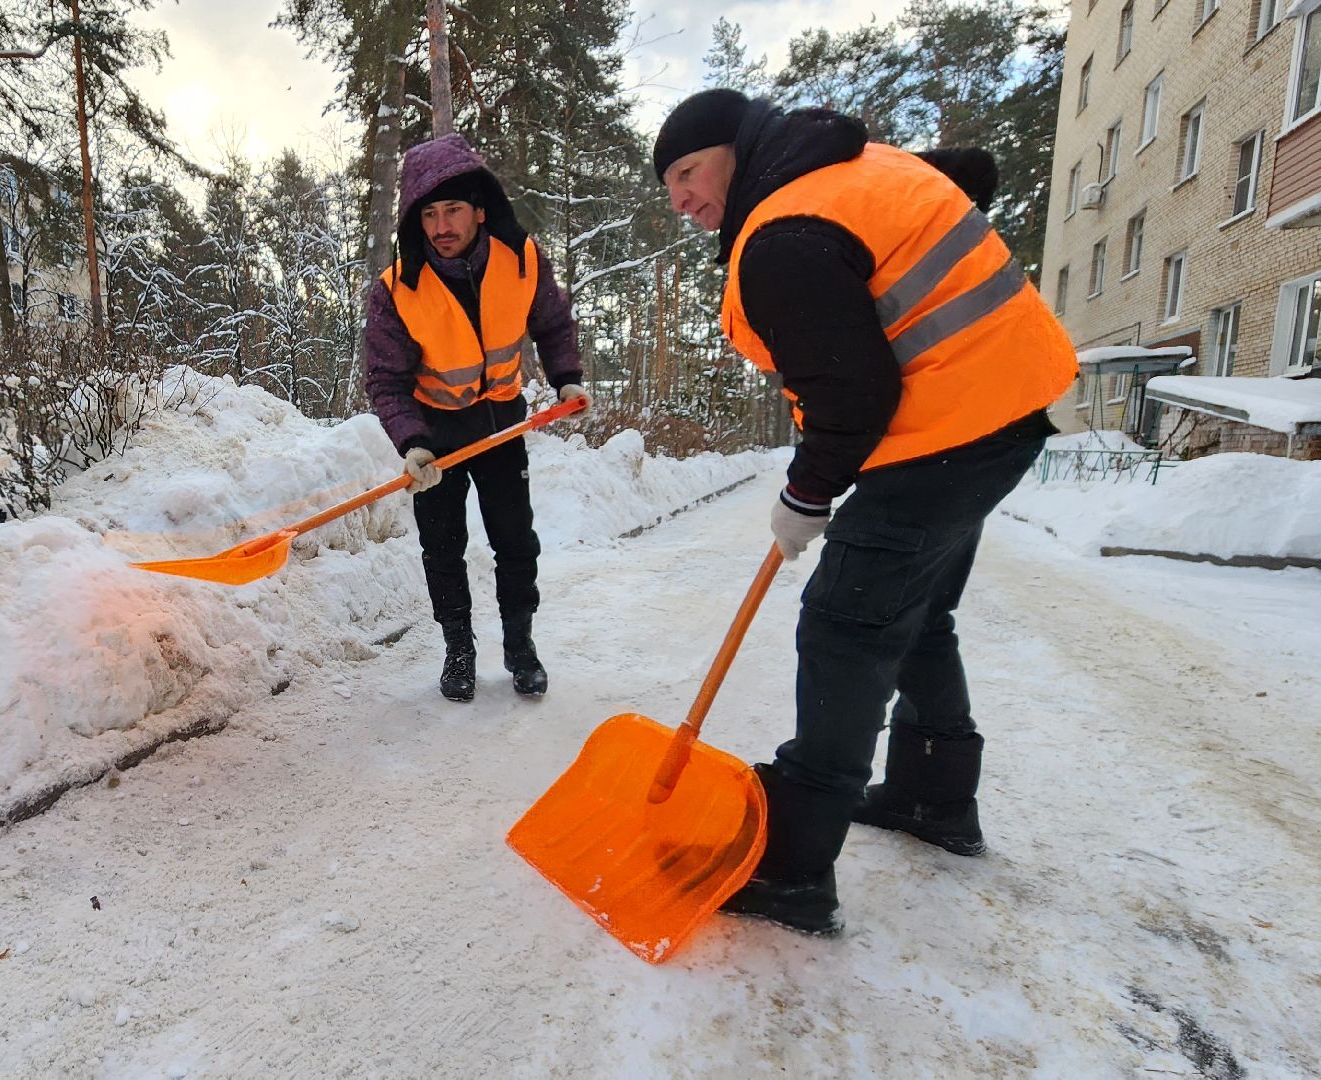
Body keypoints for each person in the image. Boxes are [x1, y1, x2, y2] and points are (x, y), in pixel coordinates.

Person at [649, 89, 1077, 934]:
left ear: (738, 149)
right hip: (999, 414)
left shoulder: (783, 235)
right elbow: (958, 183)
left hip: (942, 436)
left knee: (847, 623)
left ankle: (791, 869)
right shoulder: (849, 171)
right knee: (916, 618)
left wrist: (805, 496)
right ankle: (932, 796)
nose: (685, 202)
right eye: (672, 193)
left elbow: (853, 394)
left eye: (689, 174)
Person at [364, 133, 588, 703]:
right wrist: (412, 443)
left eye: (453, 210)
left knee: (515, 540)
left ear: (479, 210)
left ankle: (520, 647)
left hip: (503, 422)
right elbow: (386, 380)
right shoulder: (398, 289)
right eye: (430, 214)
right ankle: (458, 650)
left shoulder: (521, 259)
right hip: (436, 435)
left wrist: (567, 377)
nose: (441, 226)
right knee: (443, 548)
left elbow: (554, 324)